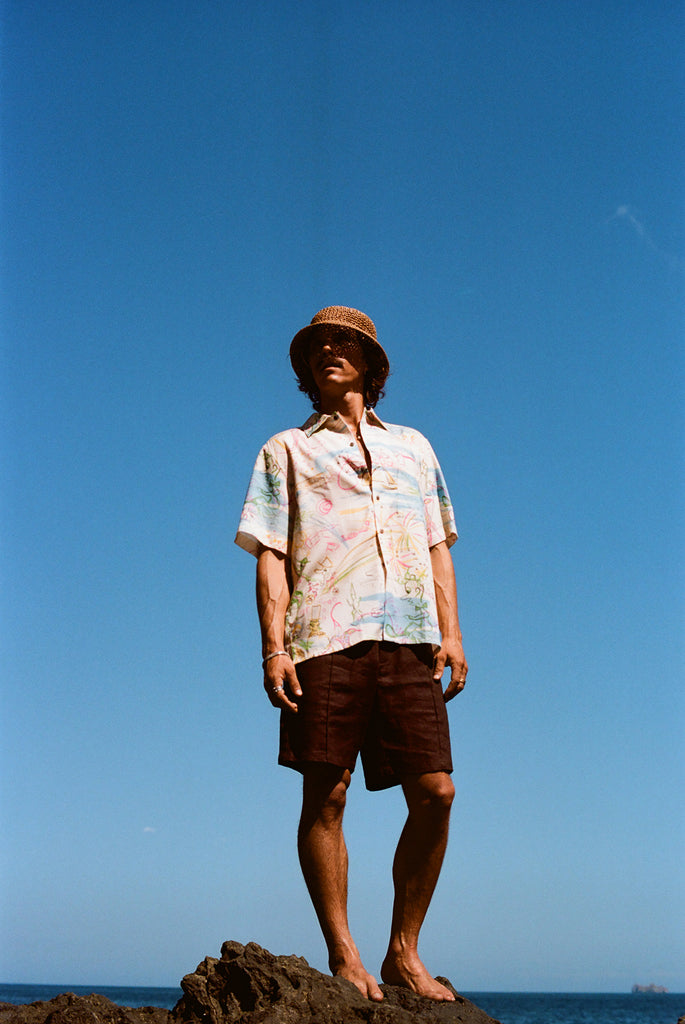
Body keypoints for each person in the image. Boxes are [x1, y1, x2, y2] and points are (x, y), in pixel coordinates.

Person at [235, 306, 468, 1003]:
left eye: (344, 343)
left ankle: (404, 951)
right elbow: (270, 554)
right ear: (305, 370)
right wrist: (273, 648)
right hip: (321, 637)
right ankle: (344, 953)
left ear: (371, 363)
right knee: (326, 793)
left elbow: (437, 545)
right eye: (317, 346)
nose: (329, 351)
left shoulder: (415, 448)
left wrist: (452, 632)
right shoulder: (285, 450)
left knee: (435, 791)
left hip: (408, 637)